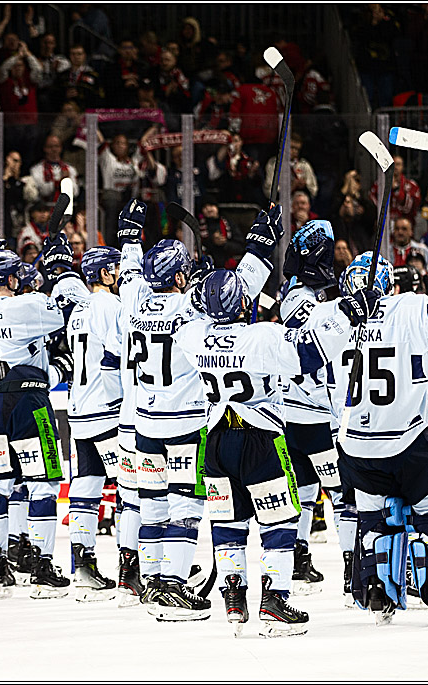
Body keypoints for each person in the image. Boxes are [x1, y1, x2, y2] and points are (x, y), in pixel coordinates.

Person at [116, 199, 280, 621]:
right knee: (186, 503)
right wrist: (260, 244)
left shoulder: (132, 296)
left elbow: (130, 266)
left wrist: (129, 236)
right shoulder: (189, 307)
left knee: (151, 503)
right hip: (186, 422)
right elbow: (237, 288)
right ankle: (171, 587)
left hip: (144, 422)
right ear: (179, 276)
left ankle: (149, 581)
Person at [174, 260, 355, 637]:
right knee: (280, 522)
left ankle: (234, 599)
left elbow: (188, 312)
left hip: (215, 441)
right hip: (259, 438)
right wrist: (348, 312)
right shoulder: (262, 336)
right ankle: (274, 602)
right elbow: (310, 354)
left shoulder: (194, 337)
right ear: (242, 303)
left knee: (228, 523)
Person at [331, 250, 428, 626]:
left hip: (354, 448)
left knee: (373, 517)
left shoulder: (333, 319)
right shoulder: (412, 310)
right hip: (408, 442)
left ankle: (376, 591)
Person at [0, 231, 74, 599]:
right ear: (10, 280)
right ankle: (40, 566)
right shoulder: (29, 306)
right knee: (43, 483)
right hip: (26, 401)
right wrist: (59, 268)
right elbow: (68, 312)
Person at [275, 220, 341, 596]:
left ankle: (301, 555)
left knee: (306, 487)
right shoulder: (300, 297)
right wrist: (346, 309)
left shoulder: (305, 293)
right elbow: (312, 336)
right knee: (343, 493)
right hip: (310, 410)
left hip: (302, 408)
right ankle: (355, 564)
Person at [61, 245, 126, 600]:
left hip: (79, 408)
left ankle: (83, 565)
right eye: (115, 269)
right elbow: (117, 356)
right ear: (105, 273)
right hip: (108, 408)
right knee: (130, 489)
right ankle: (137, 565)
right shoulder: (110, 306)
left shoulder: (78, 309)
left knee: (85, 487)